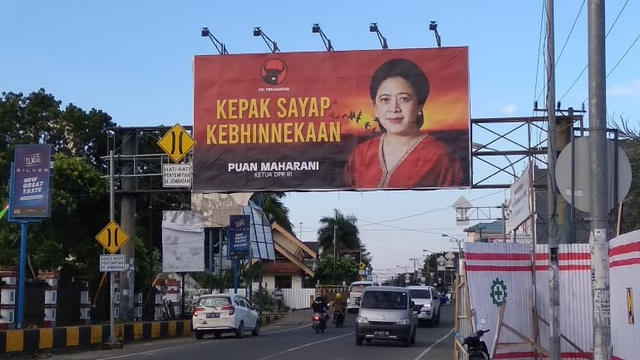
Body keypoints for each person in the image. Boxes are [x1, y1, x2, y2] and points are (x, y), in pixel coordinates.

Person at [344, 58, 464, 189]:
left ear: (419, 105)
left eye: (404, 99)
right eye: (385, 99)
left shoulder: (440, 156)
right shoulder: (361, 154)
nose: (394, 108)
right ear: (375, 107)